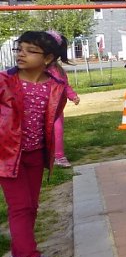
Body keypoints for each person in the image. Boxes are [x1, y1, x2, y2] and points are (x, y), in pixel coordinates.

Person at [0, 31, 69, 257]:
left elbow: (53, 116)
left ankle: (19, 254)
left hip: (36, 155)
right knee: (20, 206)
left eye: (30, 50)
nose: (21, 54)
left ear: (48, 58)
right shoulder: (4, 81)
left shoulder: (55, 87)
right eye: (20, 49)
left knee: (32, 206)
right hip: (7, 156)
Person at [47, 32, 79, 167]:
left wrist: (72, 96)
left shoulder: (59, 70)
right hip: (41, 108)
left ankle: (59, 156)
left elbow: (65, 85)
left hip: (57, 108)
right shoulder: (38, 69)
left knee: (58, 131)